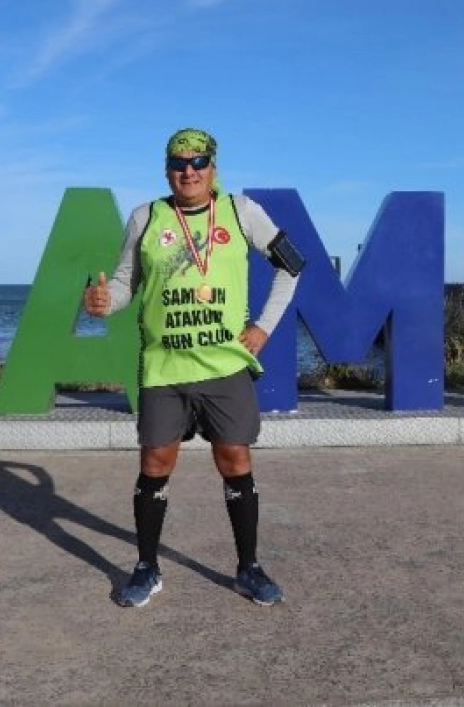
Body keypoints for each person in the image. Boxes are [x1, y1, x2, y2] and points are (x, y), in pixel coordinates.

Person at [83, 127, 303, 607]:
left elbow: (292, 265)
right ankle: (146, 568)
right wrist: (103, 301)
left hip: (224, 367)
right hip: (165, 368)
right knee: (155, 463)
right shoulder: (146, 217)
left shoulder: (241, 211)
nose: (189, 171)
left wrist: (263, 327)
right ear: (167, 170)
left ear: (213, 168)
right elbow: (124, 283)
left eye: (198, 162)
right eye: (178, 163)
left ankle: (248, 568)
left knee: (235, 460)